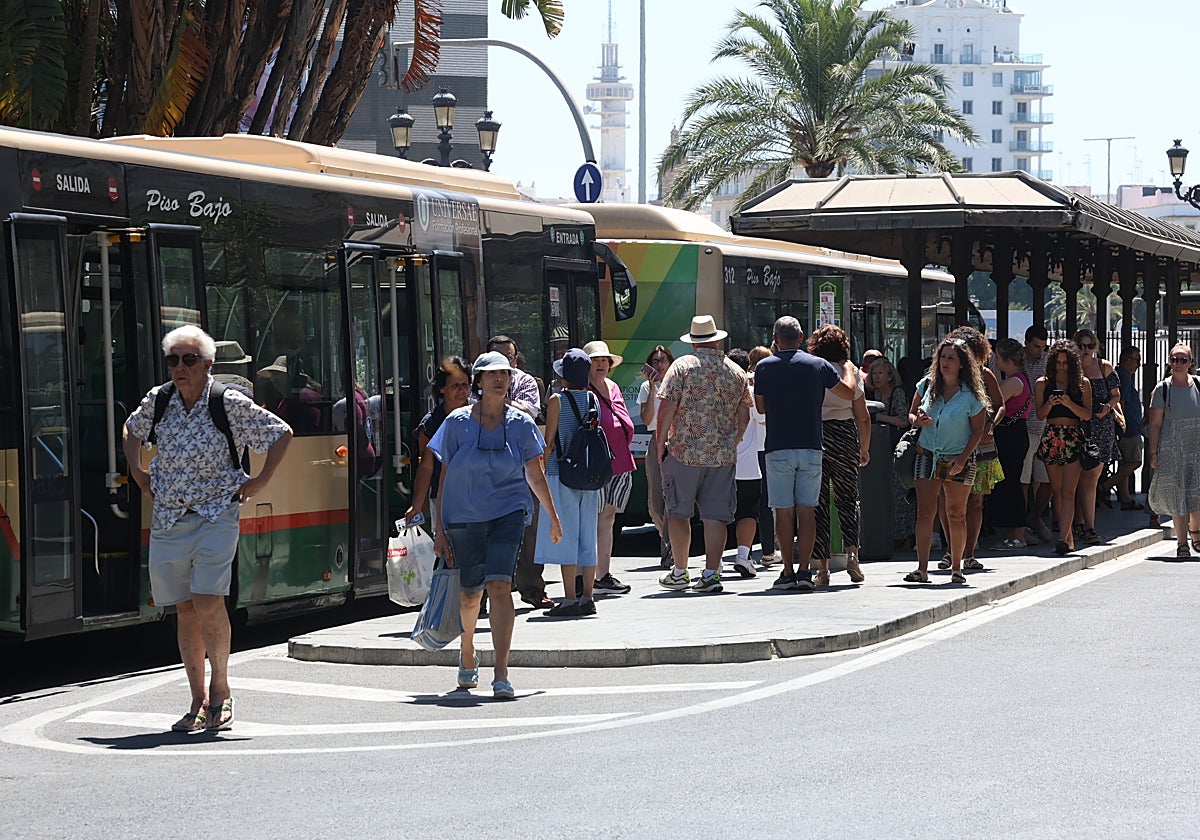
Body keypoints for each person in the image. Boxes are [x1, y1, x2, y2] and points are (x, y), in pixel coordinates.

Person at [123, 325, 293, 732]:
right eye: (173, 360)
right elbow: (131, 428)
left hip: (216, 513)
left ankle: (221, 689)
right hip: (168, 517)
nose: (179, 368)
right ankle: (197, 699)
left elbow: (280, 433)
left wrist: (260, 481)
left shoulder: (227, 402)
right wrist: (137, 471)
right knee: (183, 606)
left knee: (208, 599)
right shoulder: (160, 400)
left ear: (207, 364)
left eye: (189, 360)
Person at [428, 351, 562, 699]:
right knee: (471, 593)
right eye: (492, 375)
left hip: (508, 513)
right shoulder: (456, 422)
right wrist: (439, 530)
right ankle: (468, 649)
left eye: (505, 374)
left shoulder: (521, 423)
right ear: (479, 382)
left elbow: (534, 472)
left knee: (500, 586)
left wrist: (552, 517)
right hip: (464, 517)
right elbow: (443, 476)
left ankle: (501, 672)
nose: (500, 380)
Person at [752, 316, 858, 590]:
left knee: (784, 512)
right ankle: (804, 572)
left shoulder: (764, 367)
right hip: (812, 446)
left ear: (775, 339)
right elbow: (848, 393)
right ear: (800, 339)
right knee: (808, 511)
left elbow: (760, 408)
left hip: (778, 448)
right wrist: (847, 368)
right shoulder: (818, 365)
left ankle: (786, 570)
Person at [656, 315, 752, 593]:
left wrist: (661, 445)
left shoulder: (682, 367)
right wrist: (733, 442)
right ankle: (711, 574)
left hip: (683, 451)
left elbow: (667, 410)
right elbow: (744, 416)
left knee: (678, 513)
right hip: (721, 455)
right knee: (715, 516)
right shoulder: (736, 372)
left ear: (694, 342)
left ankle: (680, 571)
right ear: (717, 339)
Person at [904, 336, 988, 584]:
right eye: (942, 357)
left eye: (951, 358)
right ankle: (922, 569)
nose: (945, 362)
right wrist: (916, 420)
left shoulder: (971, 395)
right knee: (925, 513)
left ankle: (956, 568)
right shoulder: (927, 385)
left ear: (962, 363)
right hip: (927, 454)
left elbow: (978, 429)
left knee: (956, 513)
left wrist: (964, 457)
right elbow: (911, 413)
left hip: (958, 457)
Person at [487, 334, 550, 610]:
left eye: (509, 358)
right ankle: (485, 593)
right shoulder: (478, 383)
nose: (505, 365)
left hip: (523, 465)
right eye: (498, 358)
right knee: (488, 529)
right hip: (488, 469)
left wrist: (495, 404)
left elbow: (527, 414)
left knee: (531, 529)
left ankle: (532, 587)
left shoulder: (526, 381)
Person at [537, 348, 601, 616]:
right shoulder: (592, 398)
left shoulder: (557, 400)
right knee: (588, 536)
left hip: (560, 473)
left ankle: (570, 599)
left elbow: (550, 442)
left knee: (566, 536)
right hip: (589, 475)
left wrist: (539, 468)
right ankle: (588, 597)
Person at [938, 327, 1004, 572]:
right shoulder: (943, 377)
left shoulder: (985, 375)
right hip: (950, 443)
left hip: (981, 443)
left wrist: (991, 424)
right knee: (945, 499)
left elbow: (1000, 406)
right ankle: (951, 549)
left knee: (975, 501)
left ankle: (970, 552)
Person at [808, 325, 870, 585]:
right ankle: (852, 554)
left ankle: (822, 568)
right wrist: (864, 448)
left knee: (818, 503)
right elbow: (863, 416)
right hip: (845, 434)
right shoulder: (851, 371)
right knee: (848, 498)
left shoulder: (812, 370)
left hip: (817, 433)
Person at [583, 340, 636, 595]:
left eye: (604, 360)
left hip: (621, 461)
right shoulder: (582, 390)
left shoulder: (613, 387)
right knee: (594, 519)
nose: (601, 364)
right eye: (595, 360)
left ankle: (603, 575)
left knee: (609, 517)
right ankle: (590, 575)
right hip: (597, 464)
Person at [1034, 340, 1093, 556]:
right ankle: (1067, 539)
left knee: (1069, 490)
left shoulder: (1082, 383)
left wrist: (1068, 403)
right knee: (1057, 491)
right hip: (1051, 435)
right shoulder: (1042, 383)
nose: (1061, 367)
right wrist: (1050, 403)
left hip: (1072, 436)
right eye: (1057, 363)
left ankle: (1062, 538)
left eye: (1065, 363)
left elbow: (1087, 414)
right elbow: (1040, 414)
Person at [404, 357, 471, 533]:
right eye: (454, 386)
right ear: (442, 389)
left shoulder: (481, 416)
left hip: (479, 495)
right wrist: (416, 505)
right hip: (444, 499)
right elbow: (426, 467)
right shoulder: (431, 424)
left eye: (465, 385)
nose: (461, 391)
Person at [1147, 344, 1200, 559]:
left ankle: (1195, 531)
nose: (1178, 364)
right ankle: (1182, 544)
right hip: (1172, 450)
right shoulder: (1162, 389)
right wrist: (1153, 453)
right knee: (1179, 497)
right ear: (1169, 362)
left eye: (1183, 360)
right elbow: (1155, 424)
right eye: (1174, 359)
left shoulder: (1198, 385)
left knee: (1196, 495)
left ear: (1190, 363)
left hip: (1196, 449)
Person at [1073, 328, 1119, 545]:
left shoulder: (1104, 367)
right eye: (1081, 346)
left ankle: (1087, 526)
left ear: (1096, 347)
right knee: (1076, 478)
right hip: (1077, 426)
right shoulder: (1071, 369)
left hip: (1101, 427)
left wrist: (1108, 408)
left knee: (1091, 477)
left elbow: (1116, 394)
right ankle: (1079, 523)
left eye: (1089, 346)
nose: (1085, 350)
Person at [989, 338, 1033, 549]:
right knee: (1010, 482)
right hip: (1015, 433)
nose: (995, 361)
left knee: (1012, 483)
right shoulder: (1021, 378)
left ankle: (1018, 534)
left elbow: (992, 401)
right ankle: (1013, 533)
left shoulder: (1014, 382)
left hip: (1011, 434)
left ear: (1006, 359)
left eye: (997, 358)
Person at [871, 356, 915, 549]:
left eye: (880, 373)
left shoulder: (897, 394)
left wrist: (880, 416)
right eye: (874, 373)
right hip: (881, 449)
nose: (877, 377)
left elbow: (904, 420)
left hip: (896, 447)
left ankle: (904, 534)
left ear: (890, 375)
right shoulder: (875, 395)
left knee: (900, 492)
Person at [727, 348, 765, 579]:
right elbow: (762, 418)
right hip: (750, 464)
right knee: (748, 513)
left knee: (717, 514)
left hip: (718, 462)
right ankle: (743, 555)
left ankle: (714, 563)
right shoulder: (751, 391)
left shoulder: (715, 392)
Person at [637, 345, 675, 569]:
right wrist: (652, 388)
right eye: (655, 361)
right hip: (655, 440)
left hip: (675, 440)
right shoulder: (645, 387)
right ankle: (669, 540)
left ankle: (669, 550)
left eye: (662, 360)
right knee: (655, 505)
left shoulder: (677, 383)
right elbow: (646, 418)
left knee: (673, 499)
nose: (659, 365)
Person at [1022, 326, 1053, 543]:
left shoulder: (1048, 362)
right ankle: (1023, 523)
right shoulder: (1018, 361)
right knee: (1023, 480)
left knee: (1047, 480)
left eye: (1043, 347)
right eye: (1036, 346)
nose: (1039, 352)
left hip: (1044, 428)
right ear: (1026, 342)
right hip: (1023, 428)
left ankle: (1035, 517)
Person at [749, 346, 778, 565]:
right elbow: (762, 416)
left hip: (745, 451)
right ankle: (768, 551)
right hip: (763, 446)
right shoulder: (759, 385)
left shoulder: (744, 383)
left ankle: (746, 550)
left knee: (747, 503)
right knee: (766, 503)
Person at [1107, 345, 1145, 511]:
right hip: (1129, 428)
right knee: (1135, 461)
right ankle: (1106, 486)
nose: (1138, 364)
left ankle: (1125, 498)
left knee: (1125, 463)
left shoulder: (1121, 375)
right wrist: (1123, 425)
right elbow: (1121, 401)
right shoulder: (1124, 376)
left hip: (1128, 426)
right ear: (1128, 360)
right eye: (1137, 360)